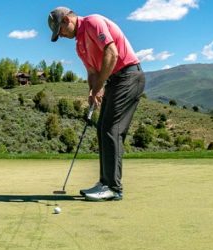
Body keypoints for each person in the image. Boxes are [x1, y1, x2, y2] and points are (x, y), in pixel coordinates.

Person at [48, 7, 145, 201]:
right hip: (114, 80)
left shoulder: (93, 22)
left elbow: (112, 53)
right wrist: (92, 92)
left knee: (112, 129)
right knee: (102, 128)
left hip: (129, 76)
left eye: (61, 30)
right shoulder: (79, 46)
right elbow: (92, 72)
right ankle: (104, 182)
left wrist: (100, 86)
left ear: (67, 20)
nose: (62, 36)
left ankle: (113, 188)